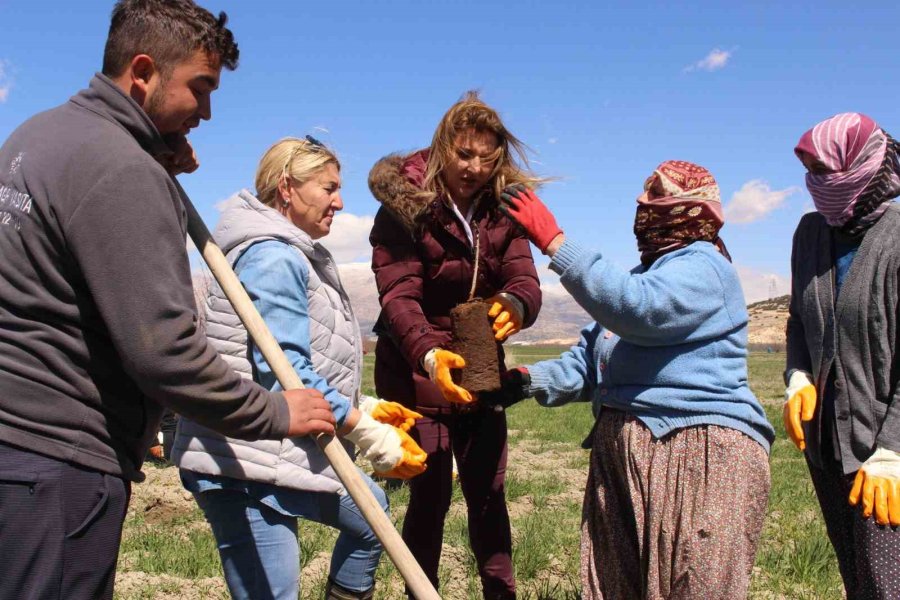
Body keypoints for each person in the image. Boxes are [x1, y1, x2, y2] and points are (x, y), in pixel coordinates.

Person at [0, 2, 336, 598]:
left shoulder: (38, 135)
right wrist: (277, 413)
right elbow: (164, 351)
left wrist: (154, 154)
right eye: (199, 89)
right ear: (144, 71)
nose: (207, 112)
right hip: (57, 459)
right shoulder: (121, 169)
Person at [498, 161, 775, 599]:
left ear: (690, 209)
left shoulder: (706, 267)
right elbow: (590, 364)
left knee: (690, 584)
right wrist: (524, 380)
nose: (642, 204)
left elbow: (638, 310)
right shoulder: (641, 278)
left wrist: (555, 243)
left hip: (697, 454)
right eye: (643, 194)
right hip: (625, 459)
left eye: (656, 195)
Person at [174, 136, 427, 600]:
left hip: (279, 451)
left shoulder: (293, 253)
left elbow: (297, 359)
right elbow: (282, 374)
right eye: (328, 188)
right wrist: (363, 431)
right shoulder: (272, 256)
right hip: (241, 463)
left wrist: (362, 405)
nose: (340, 200)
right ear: (287, 188)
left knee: (370, 515)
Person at [368, 91, 543, 599]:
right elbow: (399, 295)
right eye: (464, 154)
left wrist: (515, 303)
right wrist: (427, 353)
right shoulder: (404, 206)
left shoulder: (503, 209)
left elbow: (525, 279)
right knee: (430, 496)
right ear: (443, 147)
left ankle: (500, 593)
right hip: (414, 368)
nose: (474, 167)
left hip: (479, 370)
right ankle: (421, 593)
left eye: (487, 158)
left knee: (489, 493)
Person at [785, 112, 900, 599]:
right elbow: (797, 319)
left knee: (886, 584)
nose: (818, 184)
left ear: (863, 164)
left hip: (885, 456)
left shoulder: (896, 240)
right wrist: (798, 376)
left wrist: (893, 451)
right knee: (857, 579)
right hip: (828, 445)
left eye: (828, 170)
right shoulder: (811, 234)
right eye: (811, 172)